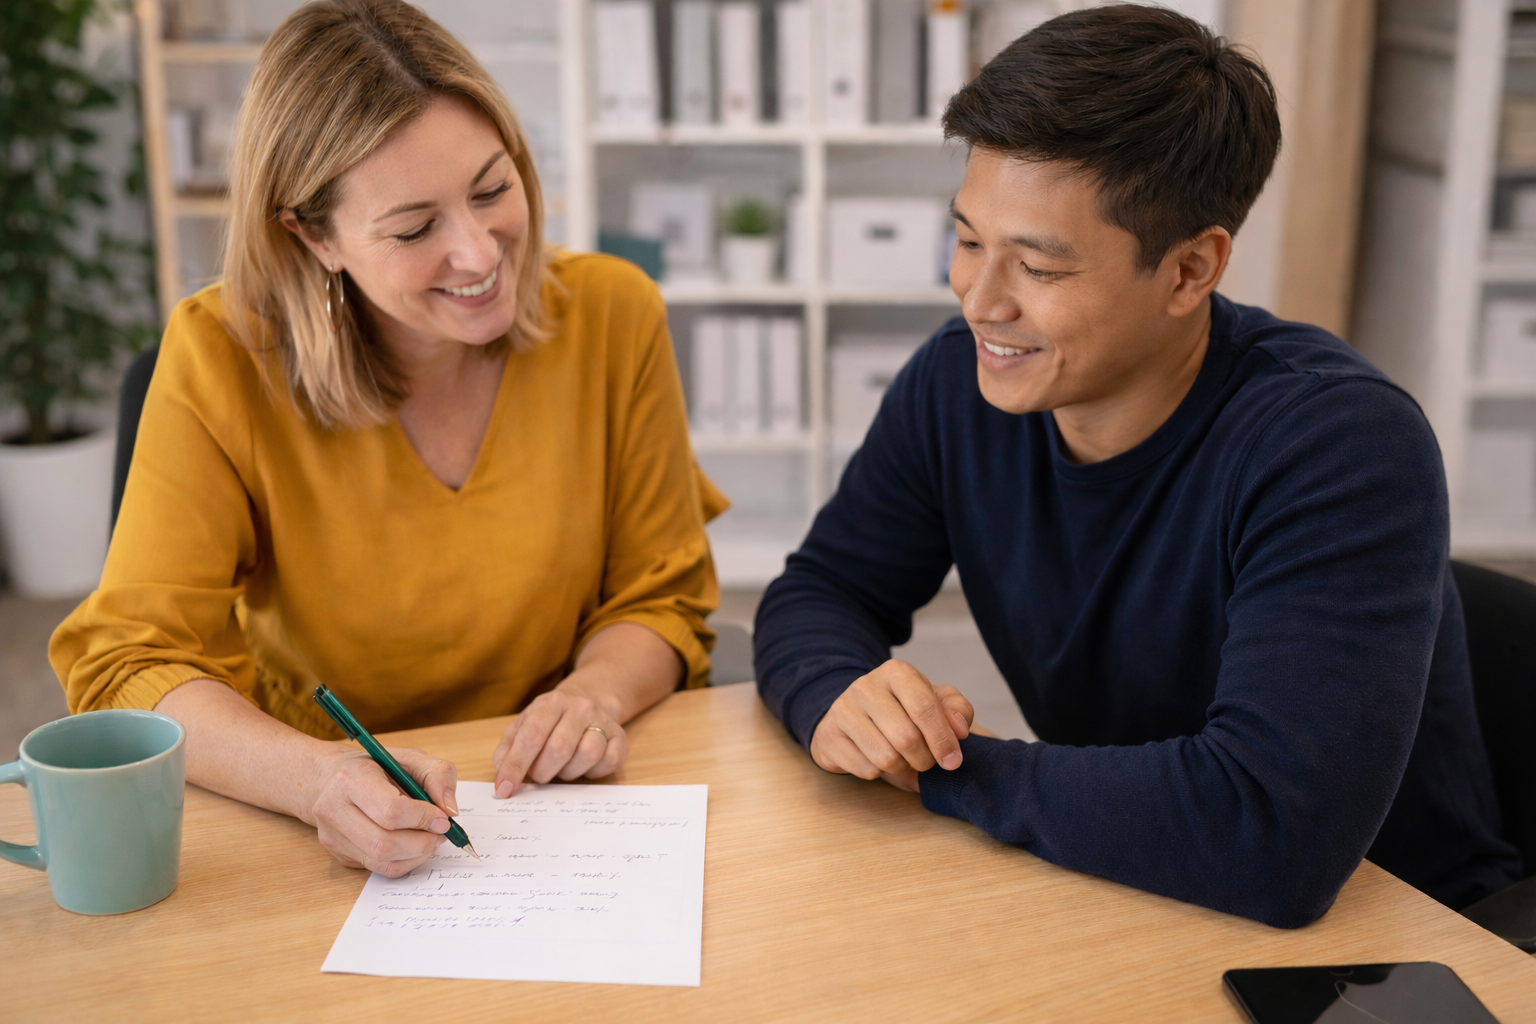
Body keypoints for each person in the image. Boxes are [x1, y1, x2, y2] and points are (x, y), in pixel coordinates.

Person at [753, 5, 1521, 928]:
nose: (979, 300)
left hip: (1395, 936)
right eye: (967, 241)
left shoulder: (1339, 446)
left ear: (1192, 270)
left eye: (1037, 267)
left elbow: (1270, 834)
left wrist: (944, 770)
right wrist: (838, 695)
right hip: (1137, 883)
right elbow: (821, 589)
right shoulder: (958, 388)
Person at [51, 0, 725, 879]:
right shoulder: (221, 358)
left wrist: (592, 694)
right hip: (316, 824)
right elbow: (128, 663)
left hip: (559, 808)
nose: (482, 254)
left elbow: (661, 599)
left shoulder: (612, 315)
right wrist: (315, 777)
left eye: (493, 188)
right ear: (313, 235)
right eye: (414, 229)